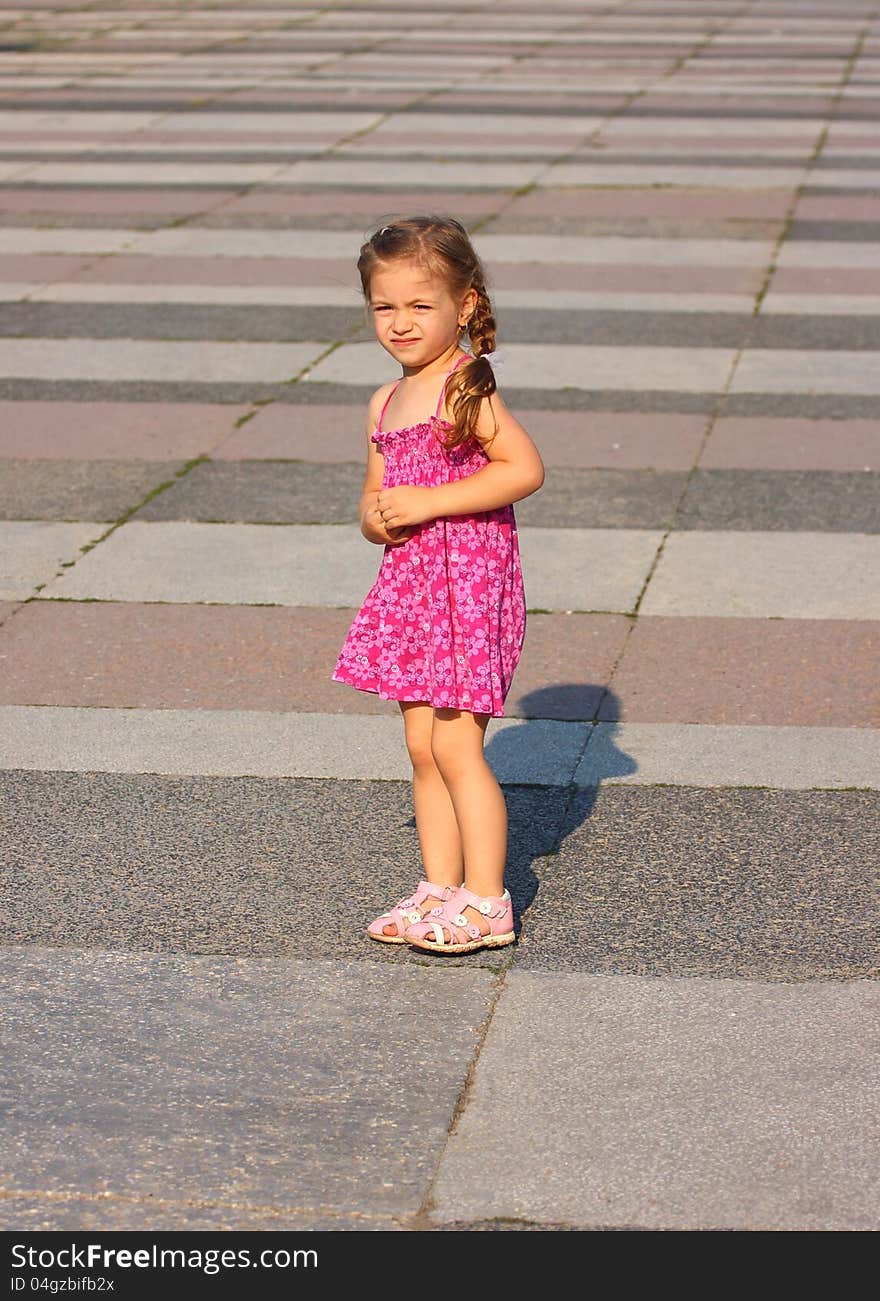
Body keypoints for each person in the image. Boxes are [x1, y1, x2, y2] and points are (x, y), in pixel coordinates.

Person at [332, 216, 544, 954]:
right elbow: (374, 496)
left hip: (468, 587)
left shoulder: (465, 388)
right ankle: (440, 886)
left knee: (457, 747)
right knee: (422, 746)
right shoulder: (384, 403)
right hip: (415, 592)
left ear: (464, 305)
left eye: (421, 306)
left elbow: (522, 469)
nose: (401, 322)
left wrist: (429, 501)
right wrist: (378, 517)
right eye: (385, 306)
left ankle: (488, 899)